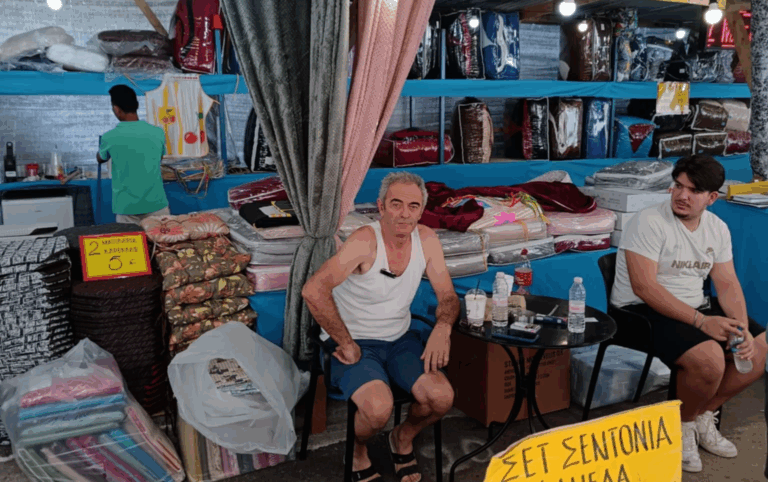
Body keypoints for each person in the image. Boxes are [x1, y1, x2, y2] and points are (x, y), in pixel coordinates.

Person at [611, 154, 767, 473]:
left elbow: (727, 282)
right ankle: (682, 427)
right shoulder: (648, 221)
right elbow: (644, 287)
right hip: (638, 312)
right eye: (678, 186)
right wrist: (702, 322)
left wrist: (741, 328)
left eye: (694, 191)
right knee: (709, 358)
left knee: (758, 348)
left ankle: (701, 417)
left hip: (695, 306)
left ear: (712, 198)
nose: (682, 195)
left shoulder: (717, 228)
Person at [302, 172, 459, 482]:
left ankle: (402, 438)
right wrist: (345, 342)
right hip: (356, 341)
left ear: (421, 210)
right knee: (377, 409)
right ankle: (357, 450)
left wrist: (443, 328)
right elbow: (313, 290)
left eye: (413, 206)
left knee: (441, 398)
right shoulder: (364, 241)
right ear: (381, 206)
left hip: (399, 339)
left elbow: (448, 296)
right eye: (396, 204)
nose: (404, 214)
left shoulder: (427, 239)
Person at [97, 85, 170, 224]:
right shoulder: (158, 132)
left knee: (129, 239)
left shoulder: (109, 137)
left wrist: (101, 154)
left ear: (116, 109)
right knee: (160, 238)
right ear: (136, 105)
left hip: (127, 208)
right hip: (157, 205)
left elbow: (101, 158)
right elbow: (158, 158)